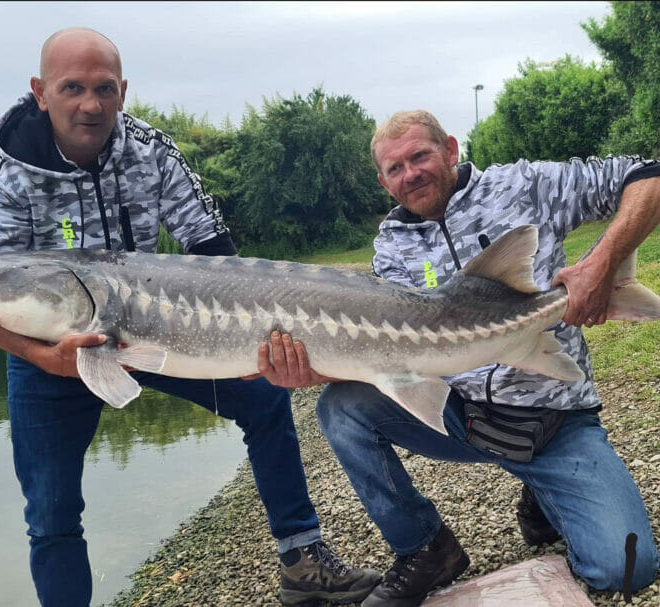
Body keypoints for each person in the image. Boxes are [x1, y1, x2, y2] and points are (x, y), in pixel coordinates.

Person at [0, 27, 380, 607]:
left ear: (123, 91)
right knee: (51, 507)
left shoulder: (151, 151)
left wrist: (250, 342)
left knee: (264, 396)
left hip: (158, 329)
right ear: (40, 92)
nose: (91, 104)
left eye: (105, 88)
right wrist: (43, 357)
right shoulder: (2, 175)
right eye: (73, 87)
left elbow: (213, 253)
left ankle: (303, 562)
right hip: (50, 353)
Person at [256, 110, 660, 606]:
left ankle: (543, 496)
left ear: (450, 149)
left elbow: (647, 175)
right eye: (395, 169)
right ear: (383, 182)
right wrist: (314, 365)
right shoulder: (392, 246)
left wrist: (599, 266)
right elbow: (390, 355)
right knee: (341, 407)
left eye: (419, 156)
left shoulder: (526, 185)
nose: (411, 174)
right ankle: (425, 548)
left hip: (553, 422)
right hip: (460, 415)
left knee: (626, 568)